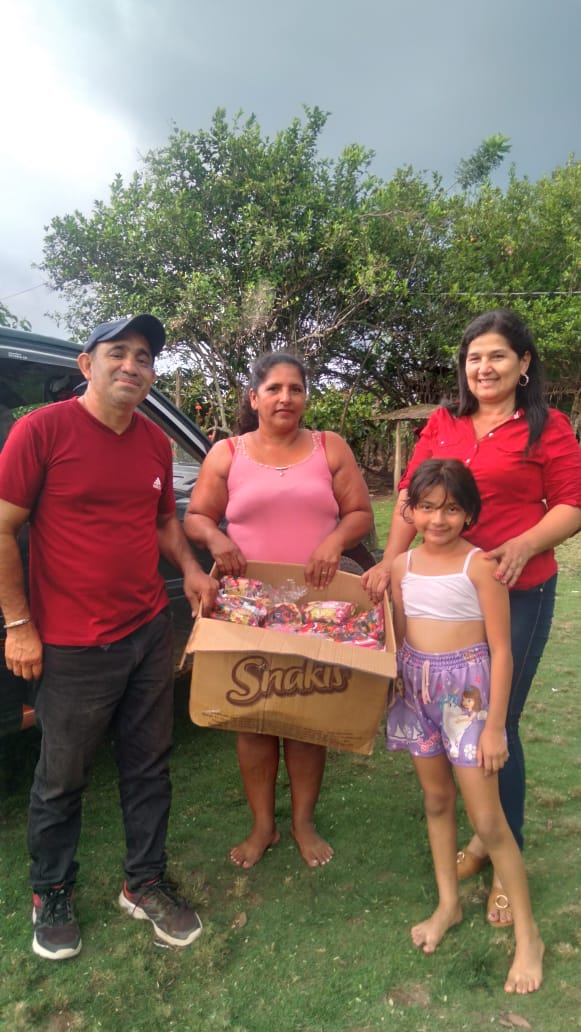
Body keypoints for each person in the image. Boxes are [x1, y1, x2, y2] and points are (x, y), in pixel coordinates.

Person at [0, 314, 218, 961]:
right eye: (118, 352)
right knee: (62, 778)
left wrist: (189, 570)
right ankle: (51, 891)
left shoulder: (152, 441)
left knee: (149, 766)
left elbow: (162, 522)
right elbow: (3, 527)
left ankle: (143, 882)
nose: (132, 365)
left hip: (148, 632)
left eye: (144, 357)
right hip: (71, 645)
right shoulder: (41, 431)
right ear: (86, 364)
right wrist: (18, 625)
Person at [363, 309, 581, 925]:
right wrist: (390, 562)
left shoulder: (548, 427)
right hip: (444, 594)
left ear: (523, 363)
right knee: (458, 721)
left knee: (495, 725)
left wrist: (525, 545)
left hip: (518, 589)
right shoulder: (444, 423)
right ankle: (486, 838)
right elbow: (410, 497)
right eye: (474, 358)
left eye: (497, 356)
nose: (484, 368)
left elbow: (572, 503)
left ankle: (501, 849)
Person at [184, 351, 373, 869]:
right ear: (254, 398)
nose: (285, 397)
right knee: (254, 718)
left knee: (309, 717)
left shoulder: (330, 447)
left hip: (317, 606)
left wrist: (334, 541)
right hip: (247, 606)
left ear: (306, 397)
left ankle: (302, 822)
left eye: (295, 388)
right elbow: (197, 516)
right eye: (274, 388)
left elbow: (359, 512)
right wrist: (216, 538)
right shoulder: (227, 453)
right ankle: (263, 825)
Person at [388, 457, 543, 994]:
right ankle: (448, 905)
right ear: (411, 510)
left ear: (469, 513)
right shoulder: (402, 566)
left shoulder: (480, 567)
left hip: (469, 701)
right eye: (427, 507)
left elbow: (502, 651)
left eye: (451, 509)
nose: (438, 519)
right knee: (436, 800)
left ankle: (529, 937)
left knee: (489, 820)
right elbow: (399, 634)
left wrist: (495, 727)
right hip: (417, 694)